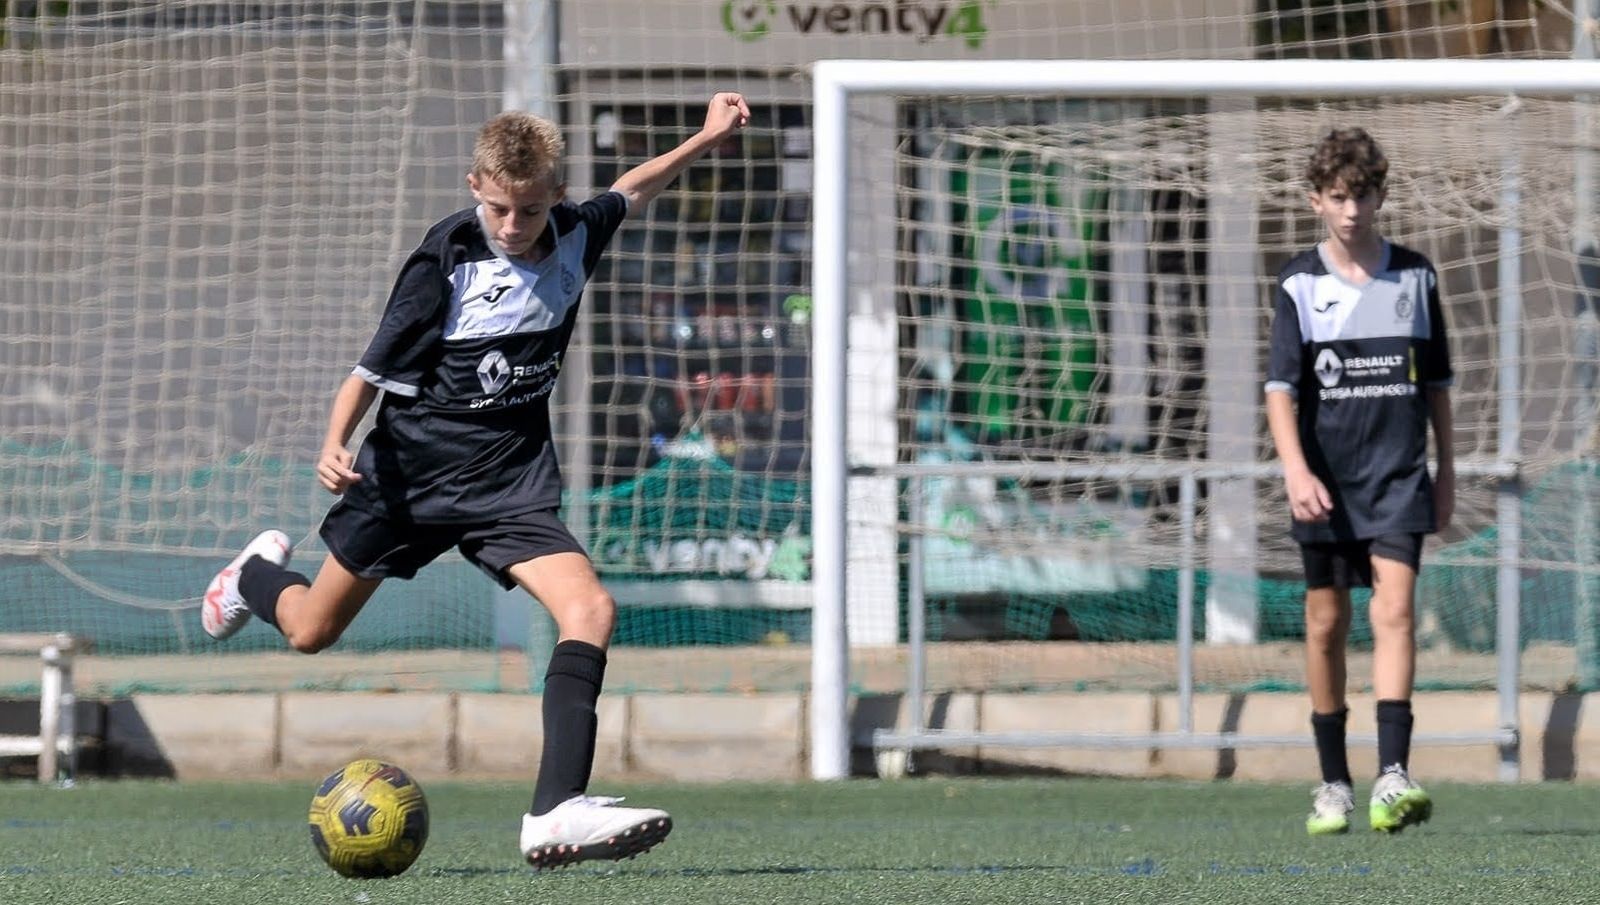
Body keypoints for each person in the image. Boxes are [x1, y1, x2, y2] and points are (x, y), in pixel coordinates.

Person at [200, 93, 752, 868]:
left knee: (591, 607)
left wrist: (702, 137)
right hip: (410, 477)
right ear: (474, 187)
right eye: (498, 208)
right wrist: (333, 441)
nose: (512, 226)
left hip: (508, 484)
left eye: (528, 210)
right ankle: (252, 574)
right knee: (311, 631)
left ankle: (554, 810)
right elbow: (368, 369)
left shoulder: (574, 234)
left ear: (554, 197)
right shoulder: (444, 260)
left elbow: (635, 185)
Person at [1265, 127, 1455, 836]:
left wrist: (1447, 474)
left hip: (1400, 475)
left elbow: (1436, 386)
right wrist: (1295, 468)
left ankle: (1392, 774)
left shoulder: (1415, 277)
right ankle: (1332, 781)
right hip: (1326, 484)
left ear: (1382, 196)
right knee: (1325, 624)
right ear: (1317, 200)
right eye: (1339, 197)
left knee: (1395, 611)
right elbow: (1280, 389)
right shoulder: (1298, 284)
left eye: (1364, 195)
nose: (1352, 210)